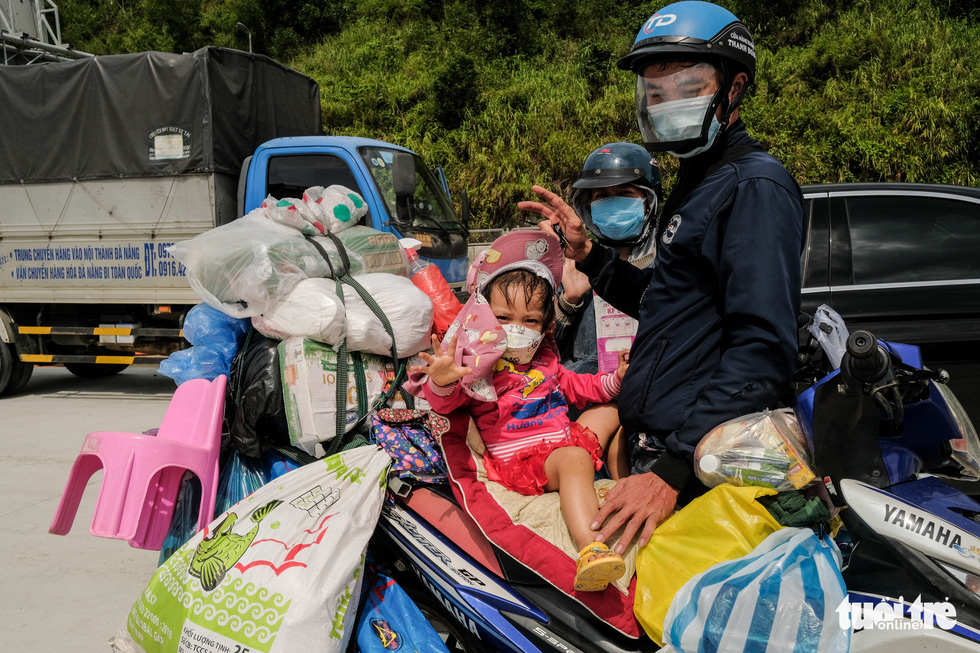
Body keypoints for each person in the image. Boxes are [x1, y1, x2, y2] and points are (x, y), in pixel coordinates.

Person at [520, 1, 807, 555]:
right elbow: (666, 303)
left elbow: (762, 346)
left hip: (694, 470)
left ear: (735, 88)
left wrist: (672, 470)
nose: (668, 103)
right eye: (655, 93)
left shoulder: (753, 186)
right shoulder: (698, 181)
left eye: (688, 85)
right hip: (662, 454)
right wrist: (589, 256)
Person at [409, 230, 629, 592]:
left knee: (613, 410)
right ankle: (592, 549)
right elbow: (447, 405)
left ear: (545, 328)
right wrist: (444, 381)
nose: (516, 329)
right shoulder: (479, 367)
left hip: (559, 441)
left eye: (529, 321)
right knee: (574, 458)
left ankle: (621, 487)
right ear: (482, 317)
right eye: (503, 318)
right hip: (524, 462)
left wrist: (616, 380)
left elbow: (578, 387)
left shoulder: (545, 361)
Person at [542, 142, 662, 375]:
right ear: (588, 207)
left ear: (649, 202)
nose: (613, 204)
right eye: (602, 196)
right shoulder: (572, 265)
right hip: (588, 400)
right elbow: (541, 353)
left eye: (625, 193)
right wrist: (569, 301)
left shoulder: (672, 262)